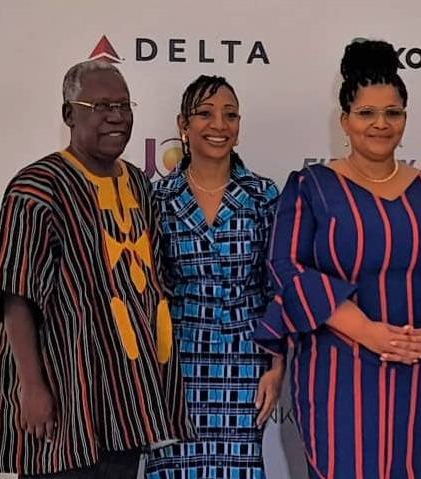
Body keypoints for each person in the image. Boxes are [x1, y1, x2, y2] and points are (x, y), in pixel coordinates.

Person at [254, 39, 421, 479]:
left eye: (392, 113)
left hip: (418, 373)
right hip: (337, 371)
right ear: (344, 120)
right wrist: (366, 331)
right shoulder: (312, 186)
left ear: (405, 118)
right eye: (366, 113)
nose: (380, 124)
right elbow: (287, 268)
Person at [0, 60, 192, 478]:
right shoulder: (37, 188)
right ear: (68, 114)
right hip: (64, 399)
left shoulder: (137, 182)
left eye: (122, 104)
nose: (115, 115)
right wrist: (32, 387)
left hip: (124, 402)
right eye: (99, 105)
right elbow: (15, 294)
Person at [146, 75, 284, 479]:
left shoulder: (262, 194)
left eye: (230, 115)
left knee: (237, 468)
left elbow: (276, 285)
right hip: (174, 363)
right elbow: (148, 288)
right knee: (173, 468)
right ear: (182, 126)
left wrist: (277, 368)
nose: (218, 125)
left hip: (244, 360)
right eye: (204, 114)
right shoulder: (158, 198)